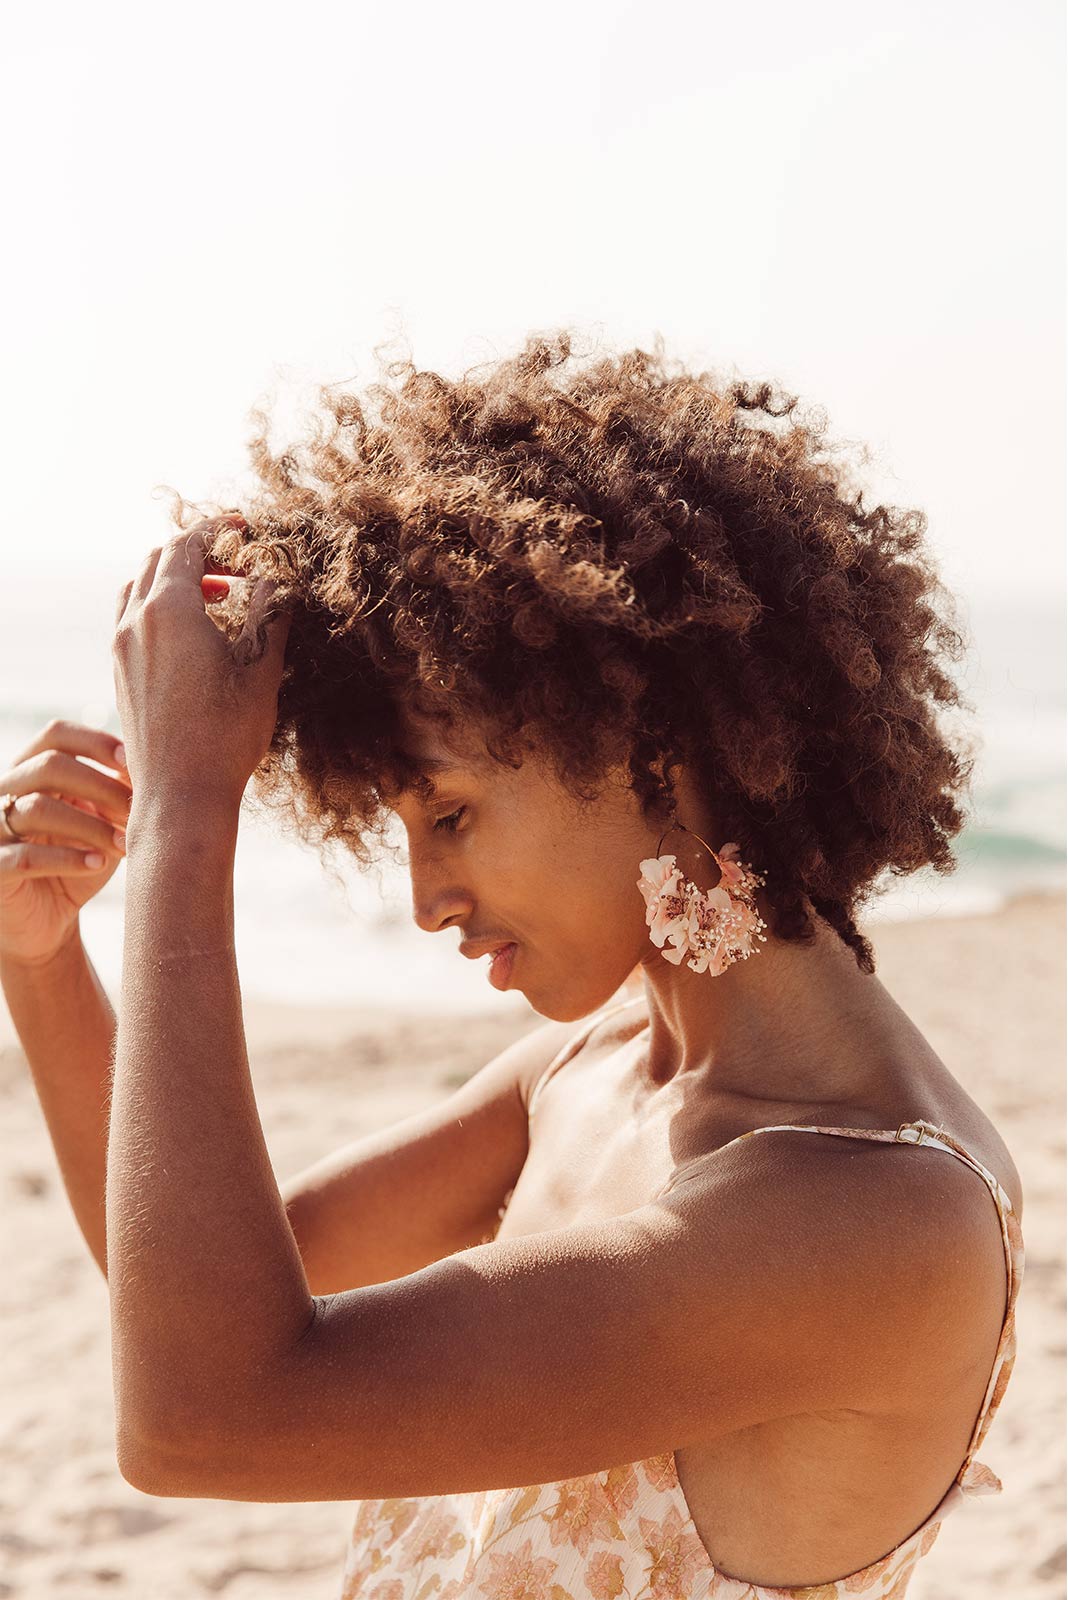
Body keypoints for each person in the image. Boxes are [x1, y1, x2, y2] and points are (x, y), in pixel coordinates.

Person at [0, 331, 1024, 1598]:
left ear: (641, 732)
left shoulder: (874, 1219)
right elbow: (180, 1284)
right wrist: (42, 962)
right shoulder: (592, 1065)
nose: (427, 900)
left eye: (451, 813)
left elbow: (202, 1414)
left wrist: (185, 819)